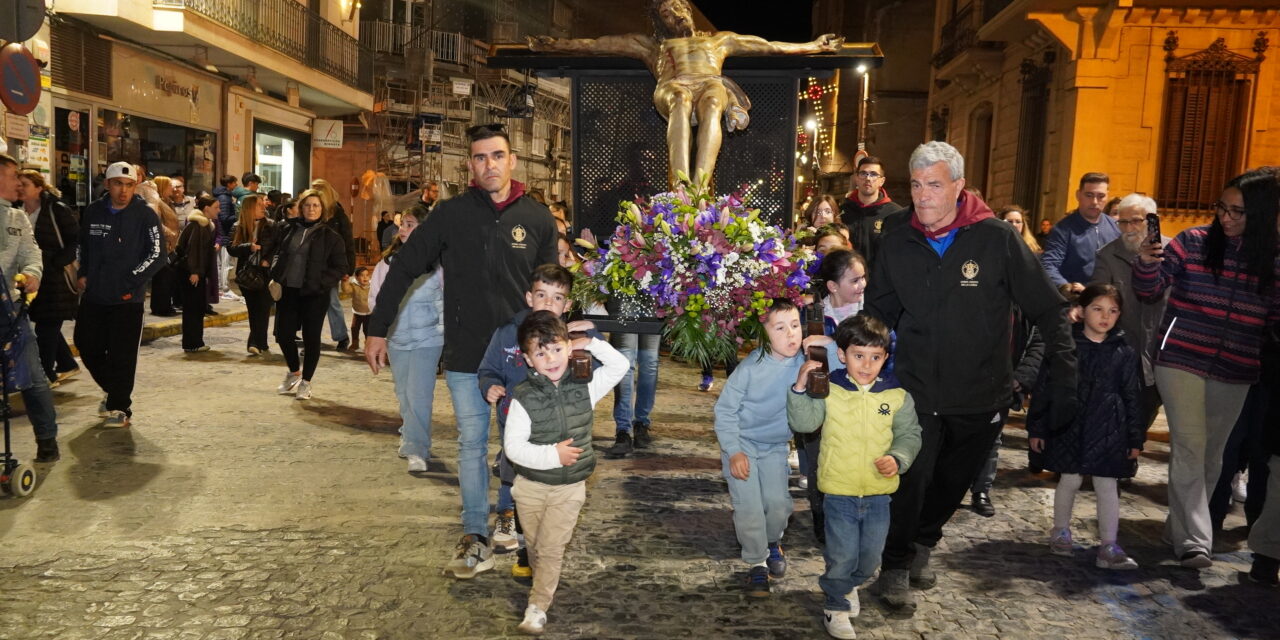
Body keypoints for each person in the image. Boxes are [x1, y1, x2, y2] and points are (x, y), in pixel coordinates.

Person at [863, 141, 1076, 612]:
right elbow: (877, 312)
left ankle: (924, 545)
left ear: (958, 187)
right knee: (910, 479)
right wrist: (845, 357)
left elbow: (1047, 307)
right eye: (916, 186)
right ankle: (895, 566)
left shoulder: (997, 238)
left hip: (980, 392)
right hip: (915, 389)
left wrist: (1059, 373)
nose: (922, 197)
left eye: (934, 185)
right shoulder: (896, 237)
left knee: (952, 484)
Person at [365, 122, 558, 578]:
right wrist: (377, 327)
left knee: (519, 445)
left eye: (497, 155)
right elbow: (406, 266)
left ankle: (509, 513)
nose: (488, 164)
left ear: (512, 160)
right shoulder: (450, 215)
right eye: (479, 157)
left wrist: (559, 344)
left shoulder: (537, 218)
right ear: (469, 164)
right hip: (467, 354)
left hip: (519, 358)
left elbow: (552, 289)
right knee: (472, 444)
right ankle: (475, 535)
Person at [1132, 168, 1280, 568]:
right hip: (1180, 357)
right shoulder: (1193, 241)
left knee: (1213, 456)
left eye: (1238, 212)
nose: (1226, 217)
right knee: (1191, 445)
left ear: (1263, 216)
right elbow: (1148, 290)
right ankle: (1197, 540)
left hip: (1236, 367)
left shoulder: (1273, 260)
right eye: (1222, 208)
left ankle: (1176, 528)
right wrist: (1146, 262)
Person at [789, 314, 922, 639]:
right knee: (842, 555)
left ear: (885, 358)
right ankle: (835, 605)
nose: (866, 364)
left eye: (875, 357)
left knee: (869, 560)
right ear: (842, 355)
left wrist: (898, 457)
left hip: (879, 495)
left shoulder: (896, 396)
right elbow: (805, 424)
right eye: (858, 356)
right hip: (839, 492)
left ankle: (849, 585)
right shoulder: (830, 389)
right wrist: (800, 388)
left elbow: (910, 434)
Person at [503, 311, 628, 635]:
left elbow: (620, 367)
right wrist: (552, 455)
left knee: (552, 548)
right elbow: (513, 448)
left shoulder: (584, 386)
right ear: (529, 360)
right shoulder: (524, 397)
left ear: (568, 348)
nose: (551, 358)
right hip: (529, 487)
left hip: (569, 487)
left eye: (557, 349)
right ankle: (541, 577)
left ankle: (537, 607)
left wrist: (592, 343)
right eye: (540, 353)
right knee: (536, 547)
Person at [478, 263, 605, 576]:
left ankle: (546, 552)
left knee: (556, 497)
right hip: (519, 434)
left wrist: (590, 338)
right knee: (524, 497)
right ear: (528, 297)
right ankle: (525, 554)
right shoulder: (508, 332)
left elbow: (603, 368)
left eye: (558, 297)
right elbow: (488, 368)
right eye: (541, 295)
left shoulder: (575, 335)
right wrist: (490, 385)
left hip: (561, 435)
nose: (549, 303)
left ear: (568, 305)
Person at [1028, 283, 1145, 570]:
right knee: (1069, 478)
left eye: (1113, 310)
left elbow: (1133, 396)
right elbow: (1045, 387)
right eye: (1098, 308)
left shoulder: (1124, 351)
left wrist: (1135, 438)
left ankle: (1108, 544)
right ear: (1082, 310)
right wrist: (1038, 427)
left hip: (1109, 430)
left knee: (1107, 484)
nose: (1105, 316)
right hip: (1071, 425)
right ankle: (1061, 531)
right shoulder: (1067, 346)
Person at [713, 298, 807, 596]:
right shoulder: (751, 367)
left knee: (779, 505)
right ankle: (757, 564)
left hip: (776, 446)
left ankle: (772, 541)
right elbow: (725, 411)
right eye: (780, 328)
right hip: (742, 445)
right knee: (750, 507)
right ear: (763, 333)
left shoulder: (808, 361)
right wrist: (734, 450)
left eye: (795, 325)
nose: (791, 334)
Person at [74, 161, 166, 429]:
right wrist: (83, 273)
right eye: (118, 184)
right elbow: (84, 246)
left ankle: (119, 405)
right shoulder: (93, 212)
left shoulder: (146, 215)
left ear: (135, 186)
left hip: (127, 300)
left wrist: (131, 281)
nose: (123, 191)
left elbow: (158, 255)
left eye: (129, 185)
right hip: (94, 296)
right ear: (107, 185)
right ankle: (114, 390)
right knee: (86, 344)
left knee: (121, 355)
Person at [796, 248, 869, 540]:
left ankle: (852, 515)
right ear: (833, 286)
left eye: (864, 278)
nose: (862, 285)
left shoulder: (870, 313)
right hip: (821, 401)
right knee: (820, 461)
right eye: (855, 280)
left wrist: (831, 340)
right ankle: (820, 514)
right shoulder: (813, 314)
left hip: (859, 400)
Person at [369, 207, 444, 474]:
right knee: (403, 393)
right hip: (398, 339)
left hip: (428, 339)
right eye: (402, 224)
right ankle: (409, 430)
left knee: (419, 394)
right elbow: (375, 300)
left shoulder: (438, 266)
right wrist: (380, 333)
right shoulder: (386, 264)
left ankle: (417, 448)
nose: (402, 230)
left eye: (409, 225)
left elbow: (447, 301)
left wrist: (444, 332)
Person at [1090, 194, 1169, 431]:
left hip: (1164, 350)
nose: (1129, 228)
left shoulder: (1173, 250)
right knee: (1122, 415)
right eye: (1122, 222)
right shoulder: (1108, 254)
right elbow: (1097, 295)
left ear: (1152, 220)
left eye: (1136, 221)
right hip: (1124, 348)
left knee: (1148, 409)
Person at [0, 155, 60, 462]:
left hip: (11, 310)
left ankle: (47, 439)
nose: (18, 185)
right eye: (12, 177)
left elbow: (31, 253)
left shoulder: (17, 218)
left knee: (34, 377)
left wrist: (33, 273)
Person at [269, 189, 348, 401]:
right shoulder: (288, 229)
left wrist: (321, 283)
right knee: (283, 335)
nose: (311, 209)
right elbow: (277, 252)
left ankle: (306, 382)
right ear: (301, 208)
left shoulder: (331, 236)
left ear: (323, 209)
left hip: (315, 294)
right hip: (289, 291)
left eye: (316, 206)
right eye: (307, 205)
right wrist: (276, 273)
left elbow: (340, 266)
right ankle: (294, 372)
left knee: (311, 338)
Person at [16, 170, 80, 386]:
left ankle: (45, 375)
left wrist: (55, 262)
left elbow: (75, 240)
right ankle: (66, 363)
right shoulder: (17, 211)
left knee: (46, 326)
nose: (20, 188)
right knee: (47, 325)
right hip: (30, 279)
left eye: (25, 184)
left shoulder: (56, 209)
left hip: (55, 280)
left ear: (38, 188)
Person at [1040, 172, 1121, 293]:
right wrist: (1067, 288)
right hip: (1075, 301)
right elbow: (1049, 266)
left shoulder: (1115, 227)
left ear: (1107, 197)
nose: (1094, 201)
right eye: (1089, 195)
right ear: (1078, 195)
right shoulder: (1062, 229)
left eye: (1101, 196)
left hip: (1109, 301)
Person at [228, 194, 280, 356]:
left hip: (265, 273)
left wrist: (268, 260)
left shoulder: (271, 225)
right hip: (247, 275)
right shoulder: (238, 226)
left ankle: (255, 342)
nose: (263, 207)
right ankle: (261, 344)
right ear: (250, 208)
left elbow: (279, 247)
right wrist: (248, 247)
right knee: (253, 309)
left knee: (263, 308)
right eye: (259, 205)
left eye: (263, 204)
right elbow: (231, 248)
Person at [312, 178, 356, 351]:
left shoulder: (337, 213)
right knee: (310, 303)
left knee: (331, 301)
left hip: (330, 267)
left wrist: (348, 268)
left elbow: (348, 241)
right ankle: (311, 337)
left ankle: (341, 336)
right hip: (311, 266)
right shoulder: (312, 211)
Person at [840, 156, 906, 266]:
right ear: (856, 178)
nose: (868, 178)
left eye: (874, 174)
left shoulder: (896, 214)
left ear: (882, 181)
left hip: (881, 281)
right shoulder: (842, 212)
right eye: (863, 173)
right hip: (847, 280)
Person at [175, 195, 218, 352]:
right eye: (216, 207)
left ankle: (194, 342)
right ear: (206, 209)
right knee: (193, 308)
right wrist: (195, 272)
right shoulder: (199, 225)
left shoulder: (204, 224)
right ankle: (192, 343)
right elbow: (194, 250)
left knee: (196, 308)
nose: (218, 211)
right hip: (191, 273)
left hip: (195, 272)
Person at [212, 175, 238, 300]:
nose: (236, 185)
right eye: (235, 183)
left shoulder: (221, 196)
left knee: (221, 264)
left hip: (222, 234)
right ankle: (224, 289)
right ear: (229, 184)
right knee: (226, 264)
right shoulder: (225, 198)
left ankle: (220, 288)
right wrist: (238, 216)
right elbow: (224, 217)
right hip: (225, 234)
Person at [342, 266, 372, 351]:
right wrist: (345, 281)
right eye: (362, 275)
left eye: (367, 275)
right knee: (354, 328)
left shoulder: (372, 286)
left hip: (369, 313)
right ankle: (355, 343)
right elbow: (346, 290)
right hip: (357, 313)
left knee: (367, 329)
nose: (365, 277)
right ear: (356, 277)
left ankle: (368, 343)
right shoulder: (354, 286)